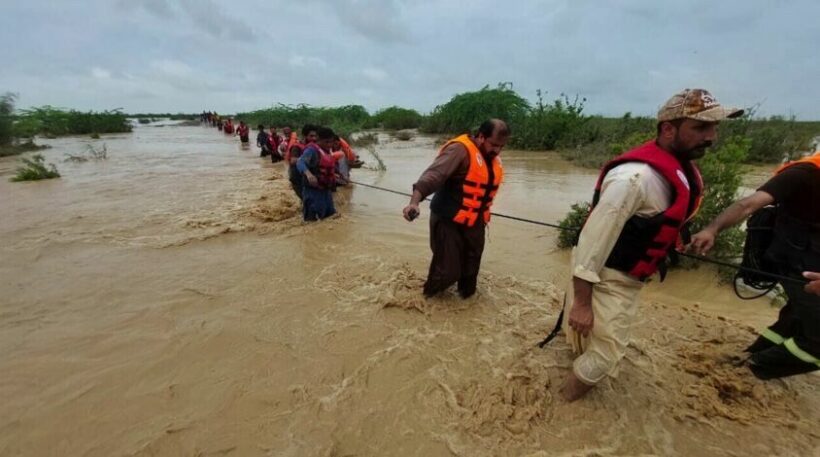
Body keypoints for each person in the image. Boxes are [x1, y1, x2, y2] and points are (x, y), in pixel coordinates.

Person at [561, 89, 742, 401]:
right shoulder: (634, 178)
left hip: (627, 276)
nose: (711, 137)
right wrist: (581, 303)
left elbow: (657, 219)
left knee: (587, 341)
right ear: (668, 128)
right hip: (607, 277)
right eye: (700, 128)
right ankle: (562, 405)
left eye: (714, 127)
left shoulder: (679, 167)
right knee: (605, 358)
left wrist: (681, 238)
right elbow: (592, 242)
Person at [690, 151, 820, 379]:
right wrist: (712, 229)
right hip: (798, 266)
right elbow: (747, 204)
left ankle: (747, 361)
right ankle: (749, 374)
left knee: (796, 320)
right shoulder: (804, 173)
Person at [402, 119, 509, 299]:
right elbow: (433, 176)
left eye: (501, 147)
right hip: (448, 220)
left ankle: (464, 312)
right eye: (494, 145)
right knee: (446, 272)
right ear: (481, 136)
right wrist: (414, 202)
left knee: (470, 275)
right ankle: (427, 302)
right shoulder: (459, 150)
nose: (497, 151)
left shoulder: (491, 157)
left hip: (475, 223)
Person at [296, 127, 337, 221]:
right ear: (319, 140)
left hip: (326, 191)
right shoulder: (311, 150)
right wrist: (309, 174)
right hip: (312, 191)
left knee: (331, 217)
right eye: (327, 142)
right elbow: (300, 162)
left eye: (331, 142)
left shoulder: (327, 150)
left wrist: (337, 176)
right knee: (311, 221)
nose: (329, 145)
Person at [286, 125, 317, 200]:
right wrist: (306, 159)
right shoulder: (297, 146)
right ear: (305, 136)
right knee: (306, 199)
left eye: (315, 136)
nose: (314, 138)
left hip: (307, 176)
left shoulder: (314, 146)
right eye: (311, 136)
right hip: (297, 176)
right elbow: (293, 161)